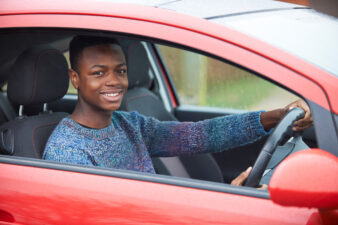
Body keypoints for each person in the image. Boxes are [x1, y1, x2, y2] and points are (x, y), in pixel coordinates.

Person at [43, 35, 313, 186]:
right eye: (99, 73)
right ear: (75, 78)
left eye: (120, 71)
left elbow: (200, 135)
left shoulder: (128, 124)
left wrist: (274, 116)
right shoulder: (67, 152)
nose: (114, 81)